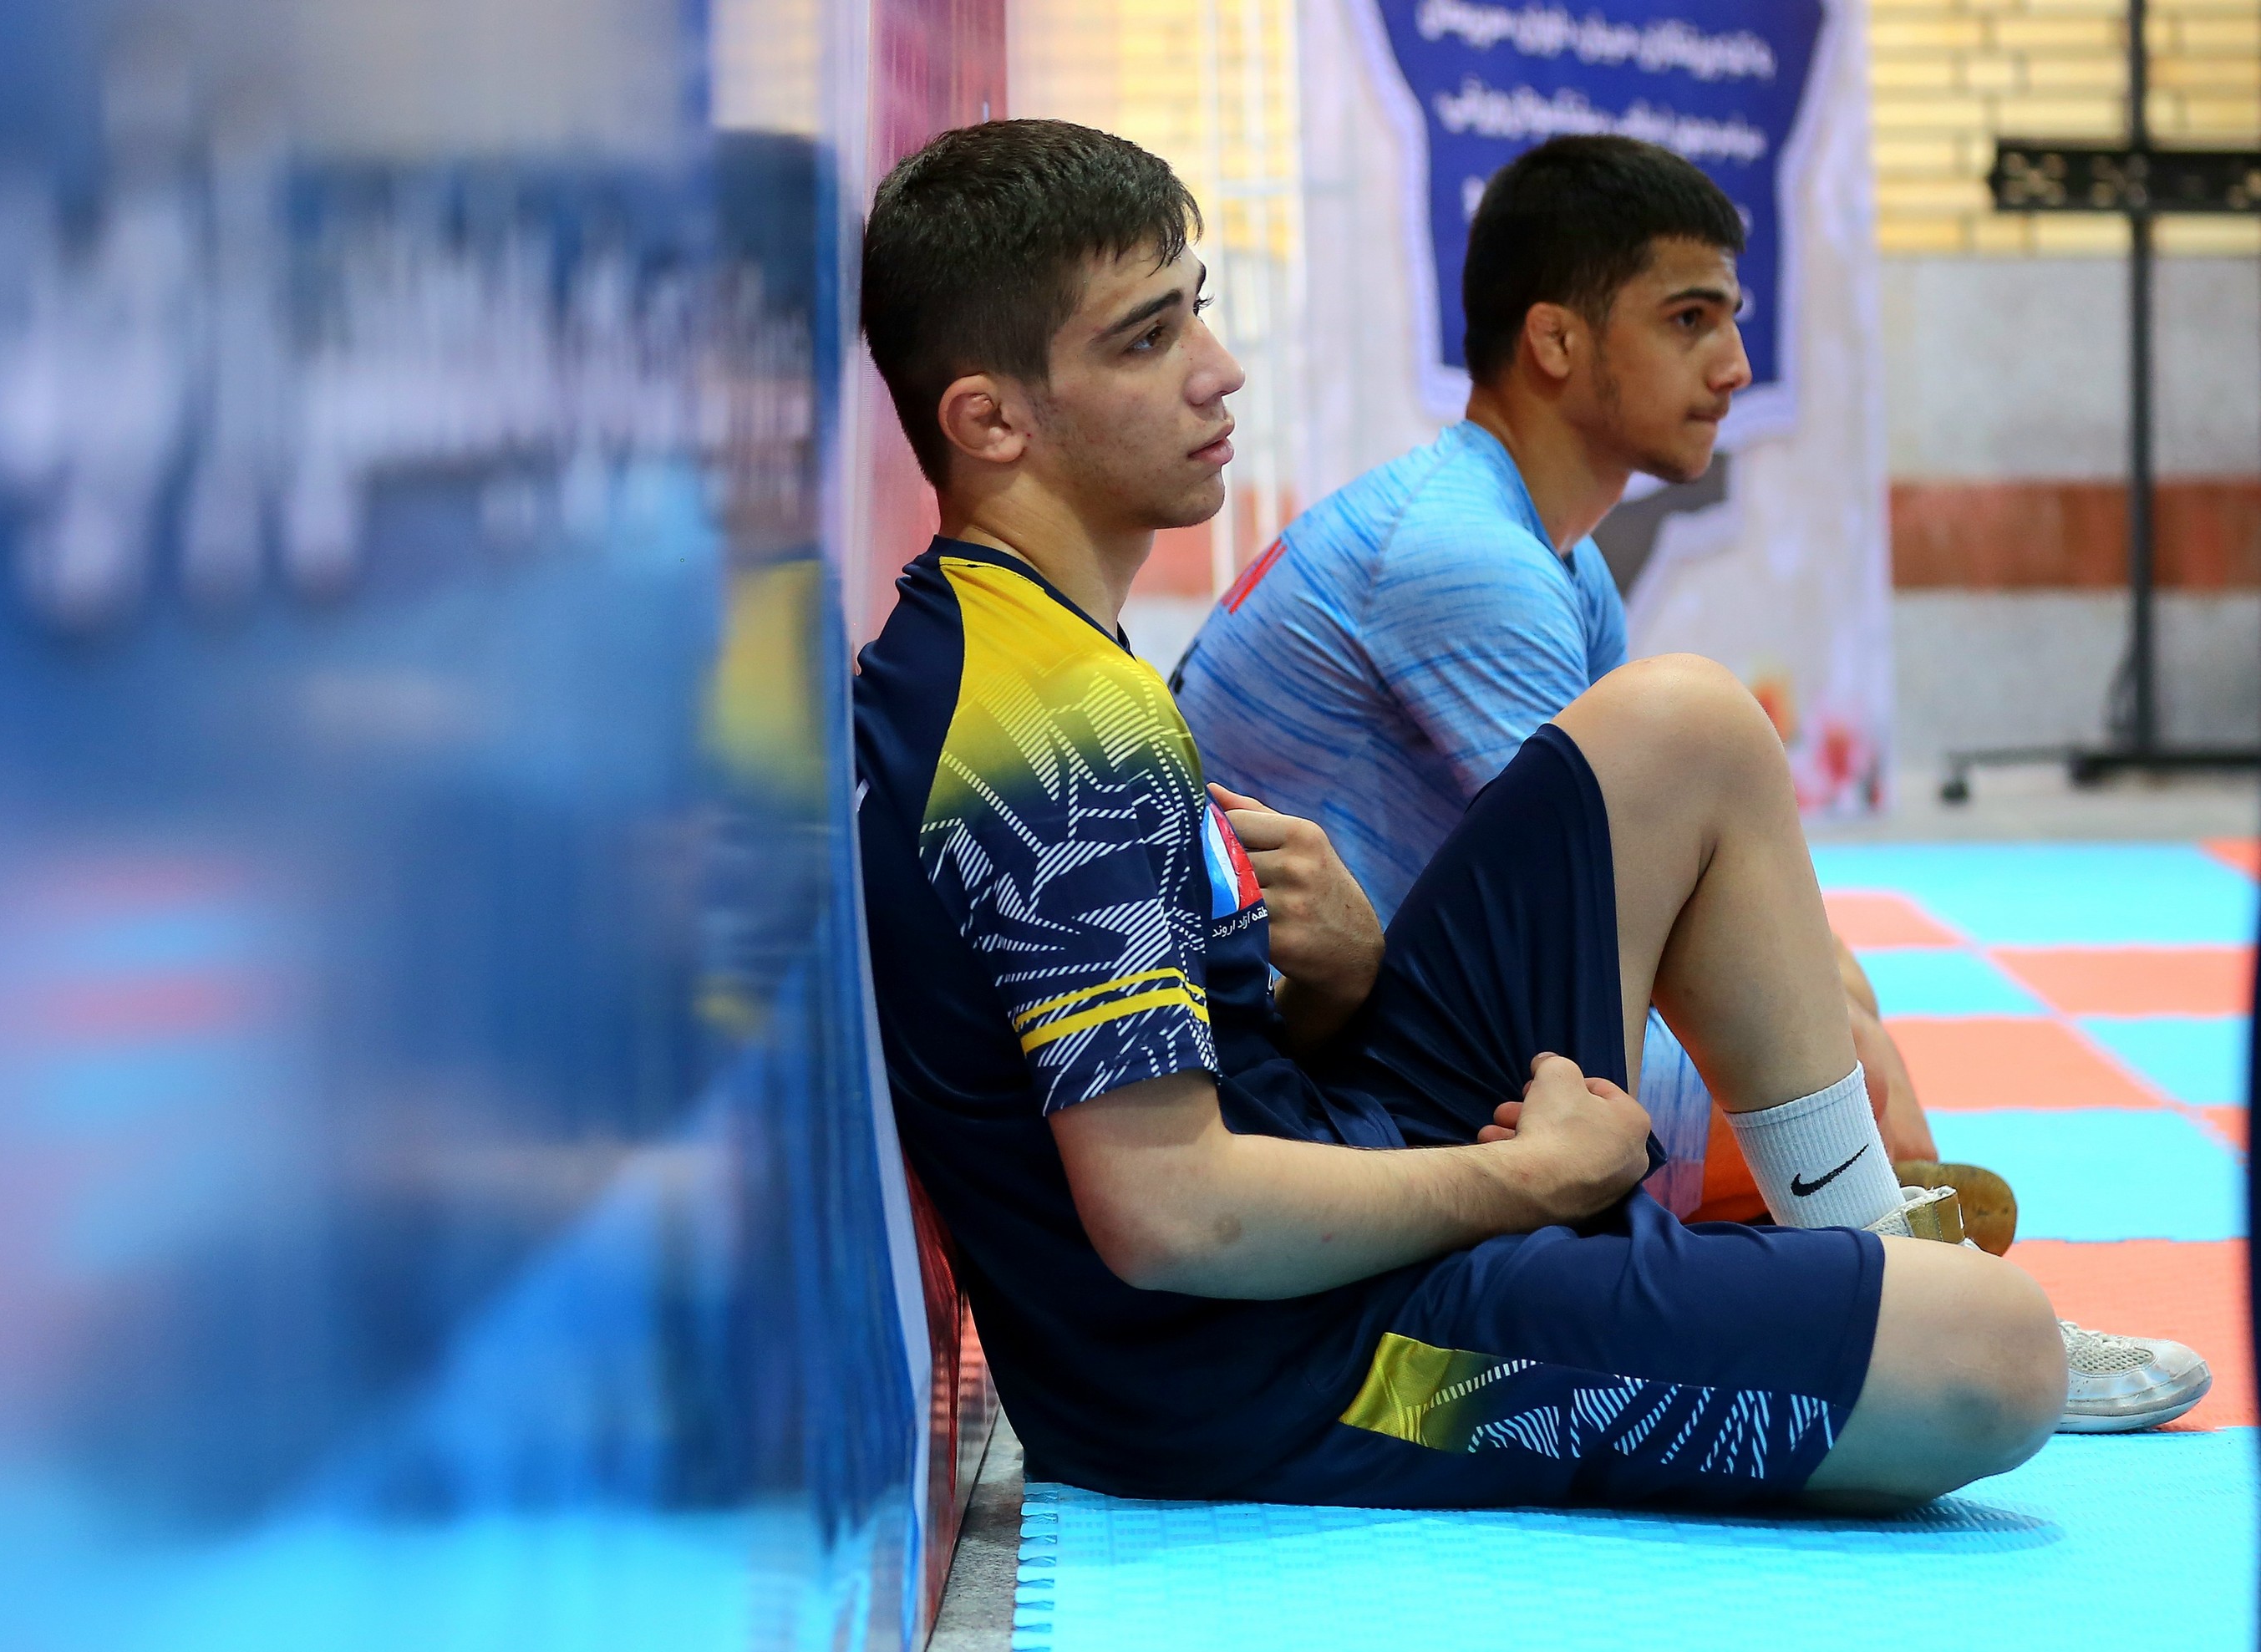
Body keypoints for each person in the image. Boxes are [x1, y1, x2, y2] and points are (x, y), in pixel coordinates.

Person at [853, 118, 2070, 1511]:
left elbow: (1191, 1065)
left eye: (1197, 310)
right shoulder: (1054, 719)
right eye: (1147, 340)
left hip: (1319, 1164)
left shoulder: (1012, 640)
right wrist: (1535, 1179)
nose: (1218, 368)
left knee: (1690, 724)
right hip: (1288, 1369)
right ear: (990, 421)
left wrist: (1338, 977)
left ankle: (1854, 1248)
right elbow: (1170, 1215)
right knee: (1996, 1356)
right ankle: (1840, 1272)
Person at [1170, 135, 2208, 1435]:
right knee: (1843, 1065)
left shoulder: (1549, 557)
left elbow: (1640, 886)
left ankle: (1881, 1262)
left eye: (1732, 319)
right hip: (1327, 1093)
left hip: (1380, 1024)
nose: (1735, 366)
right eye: (1689, 320)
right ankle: (1908, 1289)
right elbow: (1615, 895)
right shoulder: (1461, 556)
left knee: (1828, 1000)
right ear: (1556, 341)